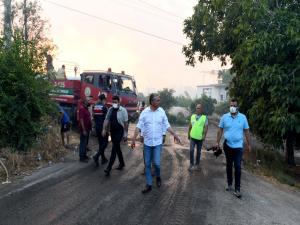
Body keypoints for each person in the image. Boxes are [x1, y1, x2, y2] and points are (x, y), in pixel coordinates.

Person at [131, 93, 182, 194]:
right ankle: (149, 184)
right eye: (157, 100)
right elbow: (139, 126)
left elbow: (167, 125)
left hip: (158, 143)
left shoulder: (161, 111)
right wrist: (133, 139)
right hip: (147, 144)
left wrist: (175, 135)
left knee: (157, 164)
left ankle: (158, 176)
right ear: (152, 102)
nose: (159, 102)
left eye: (159, 100)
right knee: (147, 165)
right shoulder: (145, 113)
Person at [216, 98, 251, 198]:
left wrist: (249, 144)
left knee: (238, 167)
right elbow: (220, 130)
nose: (233, 107)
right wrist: (217, 142)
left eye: (234, 106)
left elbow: (247, 131)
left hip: (238, 147)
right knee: (229, 165)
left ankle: (237, 189)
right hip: (227, 146)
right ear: (229, 106)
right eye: (231, 105)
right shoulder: (224, 117)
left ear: (237, 107)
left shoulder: (243, 117)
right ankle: (229, 183)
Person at [102, 95, 128, 176]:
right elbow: (106, 120)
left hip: (120, 131)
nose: (114, 104)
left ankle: (108, 168)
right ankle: (122, 163)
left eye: (115, 102)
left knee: (114, 149)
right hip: (113, 132)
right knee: (117, 148)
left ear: (119, 102)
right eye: (113, 102)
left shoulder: (123, 110)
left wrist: (125, 134)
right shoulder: (110, 110)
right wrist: (104, 129)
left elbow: (126, 123)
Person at [188, 104, 208, 171]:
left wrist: (204, 136)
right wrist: (188, 134)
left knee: (198, 152)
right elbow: (190, 126)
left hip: (200, 138)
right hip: (192, 137)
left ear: (201, 109)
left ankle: (197, 164)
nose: (197, 109)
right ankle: (191, 164)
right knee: (191, 150)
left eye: (199, 108)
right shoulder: (192, 116)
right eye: (197, 108)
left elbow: (206, 127)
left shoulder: (204, 118)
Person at [92, 94, 109, 167]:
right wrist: (105, 129)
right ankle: (97, 156)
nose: (105, 101)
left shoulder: (95, 107)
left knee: (100, 143)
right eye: (105, 100)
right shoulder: (104, 107)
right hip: (103, 128)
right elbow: (106, 119)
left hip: (97, 127)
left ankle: (103, 158)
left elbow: (94, 117)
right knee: (105, 143)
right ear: (103, 99)